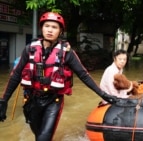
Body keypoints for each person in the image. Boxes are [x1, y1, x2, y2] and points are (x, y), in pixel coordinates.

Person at [0, 12, 117, 141]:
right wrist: (4, 100)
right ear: (42, 28)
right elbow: (15, 75)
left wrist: (104, 95)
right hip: (32, 100)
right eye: (47, 26)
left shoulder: (67, 53)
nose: (50, 30)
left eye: (54, 27)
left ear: (61, 31)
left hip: (53, 102)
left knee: (43, 138)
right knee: (38, 135)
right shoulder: (29, 49)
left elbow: (84, 75)